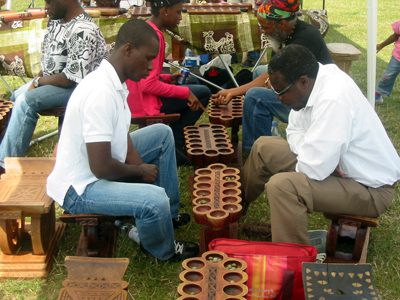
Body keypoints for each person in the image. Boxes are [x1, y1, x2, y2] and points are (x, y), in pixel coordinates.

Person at [46, 19, 199, 261]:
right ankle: (161, 249)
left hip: (96, 170)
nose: (151, 67)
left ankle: (166, 216)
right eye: (148, 58)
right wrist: (138, 174)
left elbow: (121, 135)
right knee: (154, 198)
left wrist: (138, 166)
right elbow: (101, 167)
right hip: (80, 189)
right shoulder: (100, 92)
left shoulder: (114, 82)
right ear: (128, 50)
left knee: (162, 134)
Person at [240, 44, 400, 244]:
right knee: (264, 146)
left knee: (282, 186)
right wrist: (318, 157)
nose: (279, 98)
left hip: (369, 189)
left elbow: (313, 169)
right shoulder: (312, 83)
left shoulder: (333, 99)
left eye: (281, 92)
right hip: (338, 170)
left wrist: (319, 160)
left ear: (303, 82)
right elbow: (293, 131)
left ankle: (295, 261)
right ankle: (235, 210)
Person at [0, 0, 108, 175]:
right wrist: (39, 78)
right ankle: (6, 152)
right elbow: (50, 61)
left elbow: (70, 79)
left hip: (81, 88)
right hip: (56, 81)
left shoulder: (83, 29)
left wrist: (37, 84)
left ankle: (5, 167)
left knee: (25, 102)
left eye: (49, 1)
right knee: (14, 99)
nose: (46, 6)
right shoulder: (57, 19)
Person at [212, 0, 333, 151]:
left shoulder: (304, 39)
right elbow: (273, 71)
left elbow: (273, 76)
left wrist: (232, 92)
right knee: (257, 71)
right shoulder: (286, 34)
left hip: (312, 103)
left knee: (256, 97)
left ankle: (255, 149)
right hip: (303, 90)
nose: (262, 31)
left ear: (281, 24)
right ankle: (263, 131)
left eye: (265, 27)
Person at [126, 0, 211, 166]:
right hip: (145, 103)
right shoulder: (155, 36)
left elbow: (144, 76)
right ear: (164, 10)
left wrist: (167, 78)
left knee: (192, 80)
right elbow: (148, 85)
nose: (180, 17)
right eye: (178, 12)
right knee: (203, 93)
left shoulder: (145, 28)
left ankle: (173, 138)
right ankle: (176, 144)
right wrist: (186, 93)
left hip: (134, 98)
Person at [375, 19, 400, 105]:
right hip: (398, 56)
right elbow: (395, 36)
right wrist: (381, 45)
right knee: (388, 76)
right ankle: (377, 96)